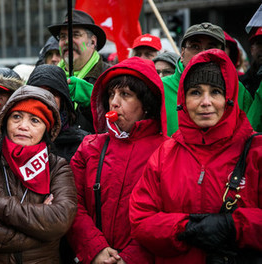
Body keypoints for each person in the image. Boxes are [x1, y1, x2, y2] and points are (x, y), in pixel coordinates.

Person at [130, 49, 262, 263]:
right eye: (196, 92)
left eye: (216, 92)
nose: (205, 102)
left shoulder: (256, 151)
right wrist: (184, 228)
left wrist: (233, 227)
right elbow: (140, 219)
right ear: (183, 99)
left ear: (229, 98)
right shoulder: (164, 154)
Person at [67, 57, 167, 264]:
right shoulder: (90, 146)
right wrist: (95, 248)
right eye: (111, 94)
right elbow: (71, 202)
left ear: (146, 104)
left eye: (125, 95)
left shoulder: (167, 151)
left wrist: (129, 258)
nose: (114, 102)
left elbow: (165, 215)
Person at [0, 85, 77, 263]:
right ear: (5, 121)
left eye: (35, 120)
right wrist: (41, 233)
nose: (23, 126)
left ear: (47, 129)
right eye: (16, 117)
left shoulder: (57, 167)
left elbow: (60, 219)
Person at [162, 22, 253, 136]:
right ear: (182, 52)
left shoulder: (238, 90)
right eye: (195, 46)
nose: (202, 53)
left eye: (211, 47)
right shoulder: (161, 88)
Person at [48, 9, 111, 133]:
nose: (67, 41)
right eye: (62, 36)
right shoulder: (49, 77)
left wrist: (92, 103)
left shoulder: (110, 77)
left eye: (75, 35)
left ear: (93, 42)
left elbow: (118, 127)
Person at [27, 64, 89, 162]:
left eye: (52, 93)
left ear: (63, 99)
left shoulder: (83, 144)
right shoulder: (18, 137)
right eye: (39, 92)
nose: (45, 97)